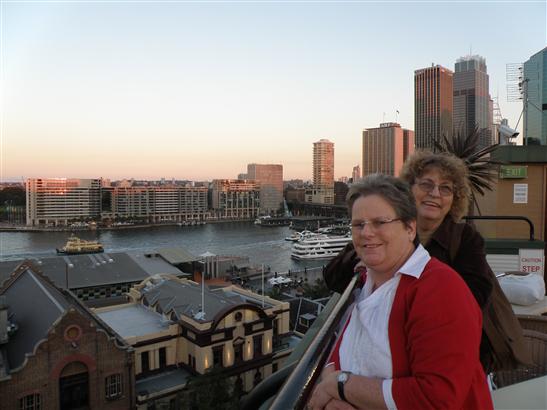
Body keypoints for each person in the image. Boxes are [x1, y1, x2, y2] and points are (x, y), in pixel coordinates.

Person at [309, 174, 492, 410]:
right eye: (358, 224)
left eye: (380, 222)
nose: (366, 232)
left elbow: (437, 399)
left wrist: (342, 386)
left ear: (410, 228)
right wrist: (330, 380)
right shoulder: (366, 282)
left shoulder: (440, 290)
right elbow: (345, 347)